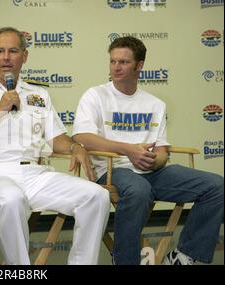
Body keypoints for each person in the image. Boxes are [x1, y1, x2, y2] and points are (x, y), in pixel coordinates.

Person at [0, 27, 110, 265]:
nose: (6, 57)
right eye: (0, 51)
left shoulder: (38, 92)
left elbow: (57, 139)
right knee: (12, 200)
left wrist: (75, 147)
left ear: (24, 56)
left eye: (13, 51)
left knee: (97, 196)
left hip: (35, 173)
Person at [72, 36, 224, 265]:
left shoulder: (154, 104)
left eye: (123, 62)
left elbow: (162, 150)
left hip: (150, 171)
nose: (116, 67)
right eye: (113, 61)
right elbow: (82, 137)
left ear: (139, 65)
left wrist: (155, 161)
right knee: (139, 190)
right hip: (113, 170)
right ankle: (125, 260)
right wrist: (129, 151)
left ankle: (185, 256)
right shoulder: (95, 95)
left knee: (216, 186)